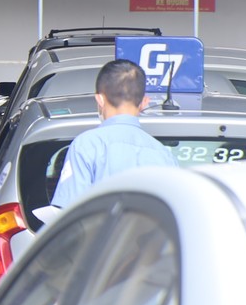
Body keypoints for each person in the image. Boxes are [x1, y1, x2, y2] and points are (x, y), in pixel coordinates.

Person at [48, 58, 178, 210]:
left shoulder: (86, 145)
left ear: (100, 99)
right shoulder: (164, 155)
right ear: (144, 102)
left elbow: (69, 212)